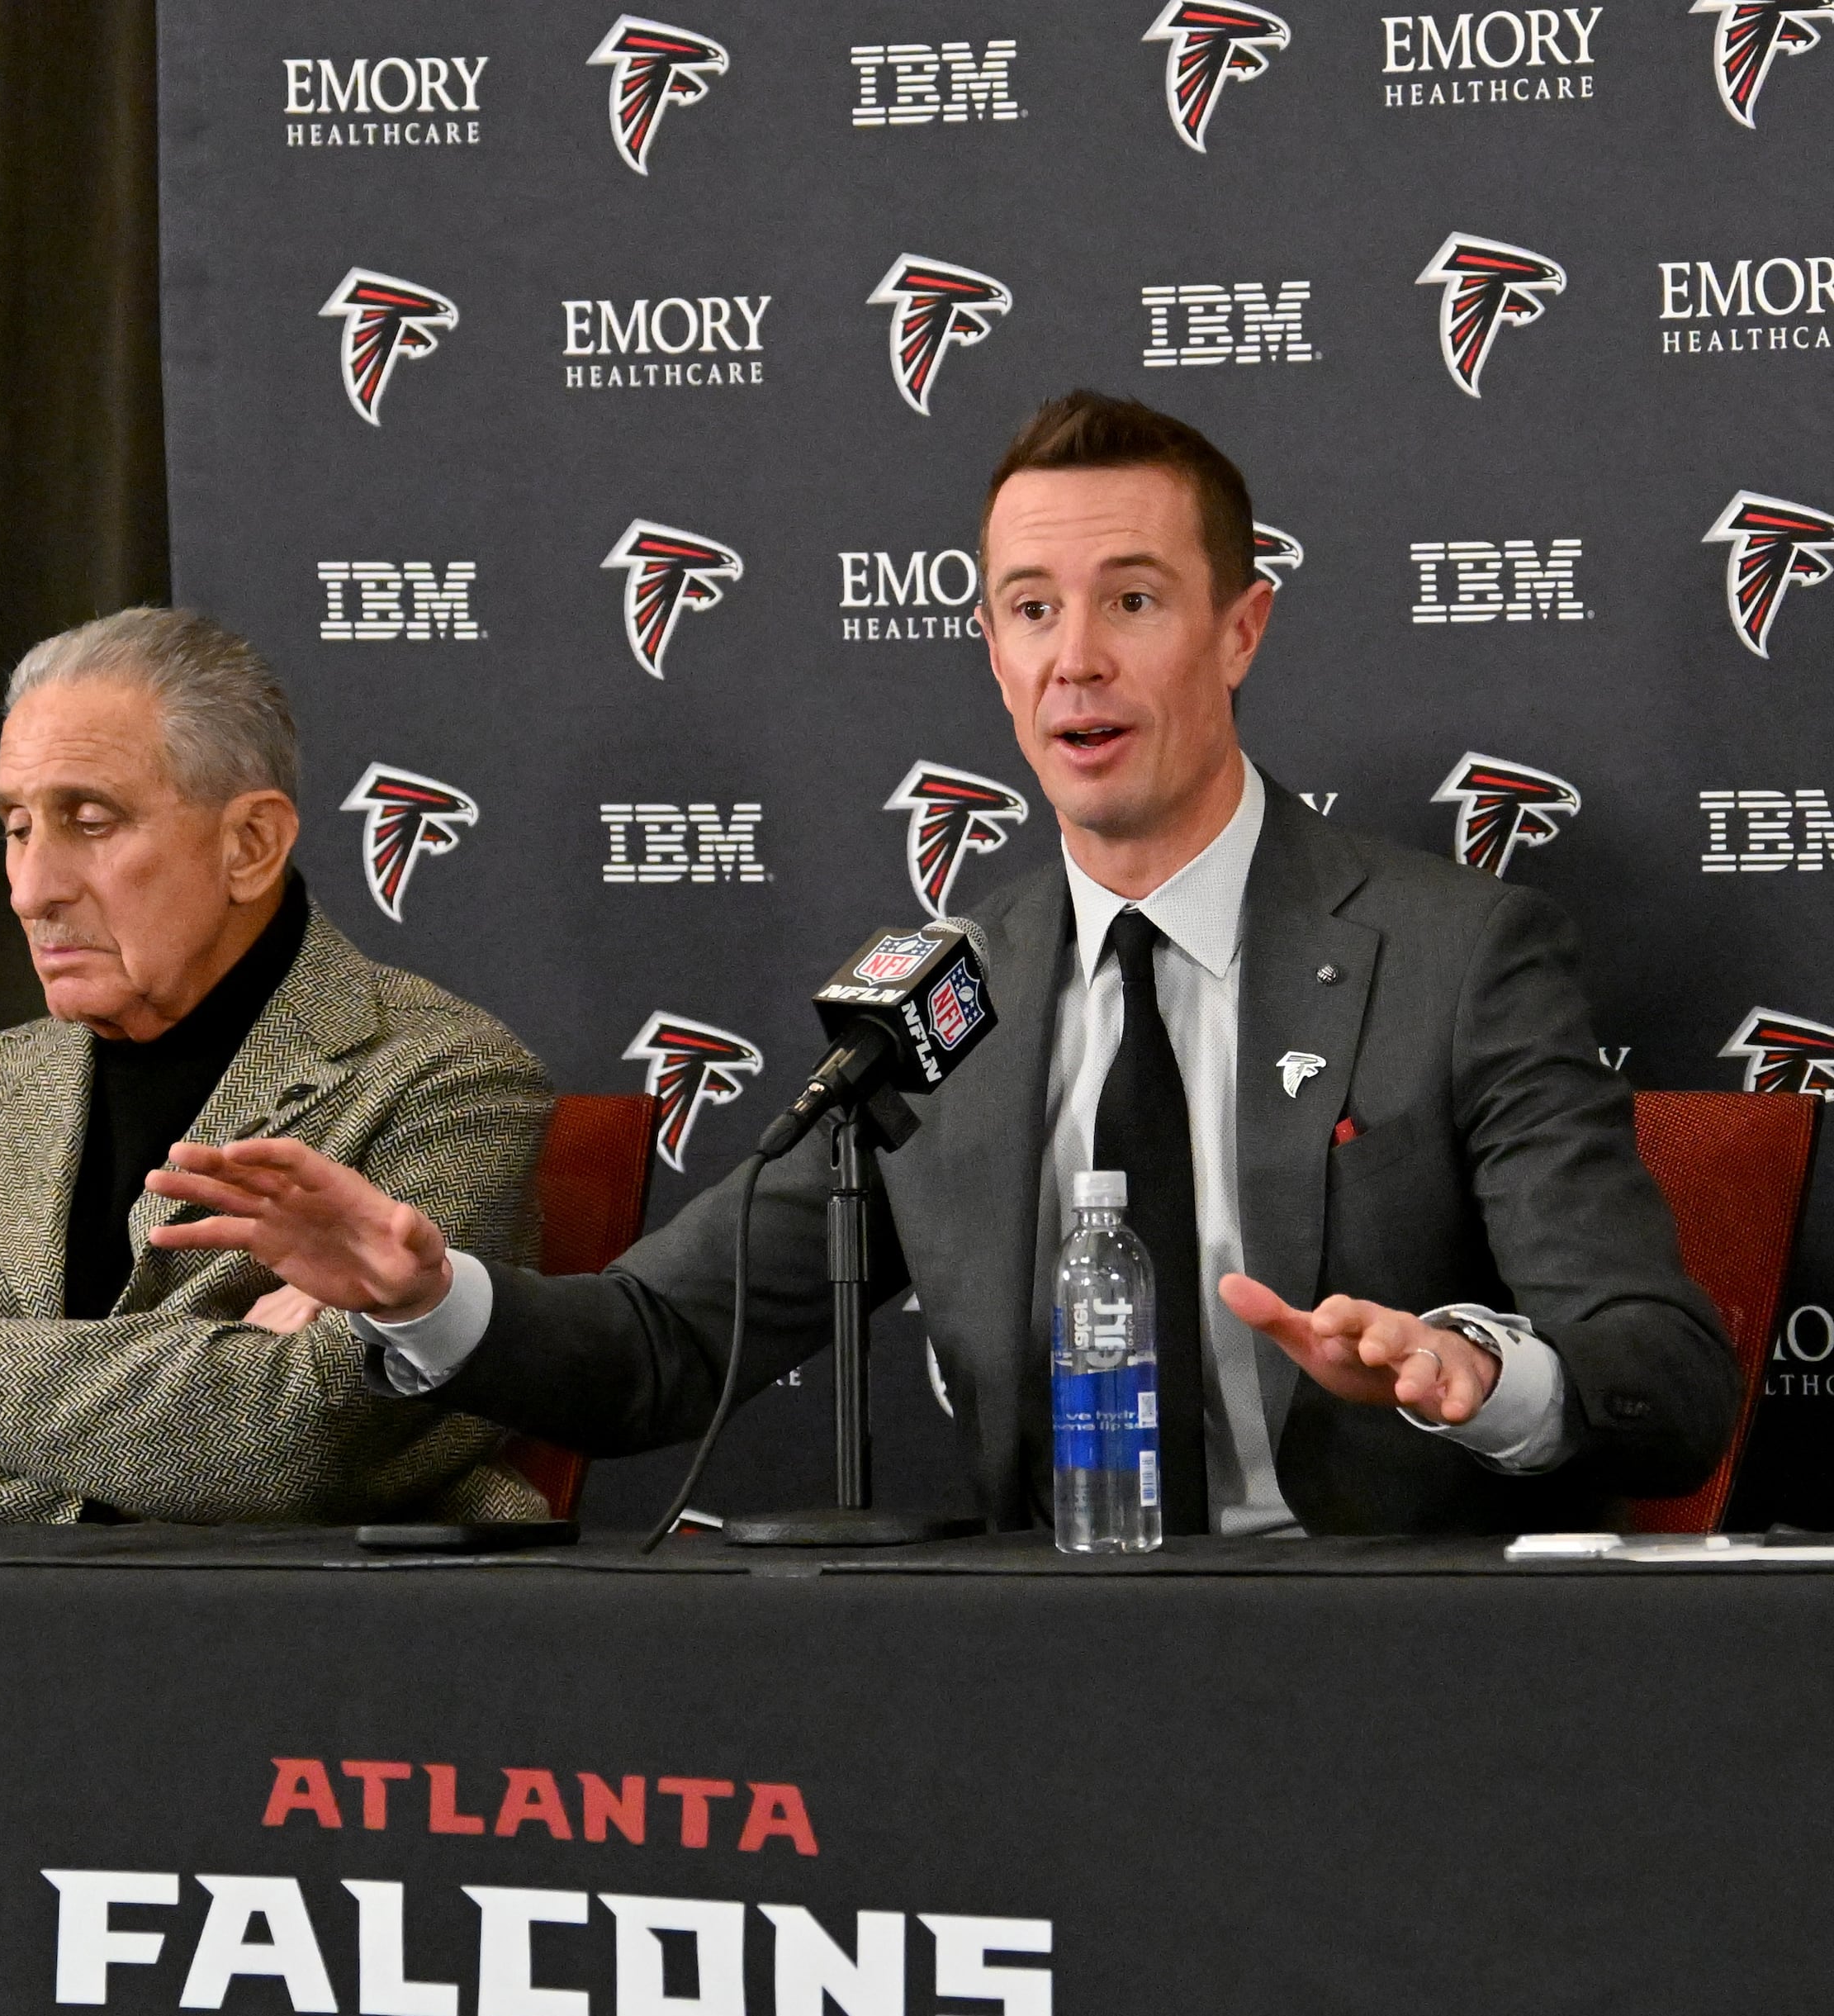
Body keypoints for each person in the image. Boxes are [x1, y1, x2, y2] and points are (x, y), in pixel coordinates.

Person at [149, 393, 1733, 1535]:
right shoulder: (947, 996)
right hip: (1034, 1674)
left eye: (1133, 601)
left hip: (1385, 1666)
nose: (1076, 661)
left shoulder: (1457, 957)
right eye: (1030, 610)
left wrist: (1480, 1369)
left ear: (1241, 629)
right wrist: (433, 1298)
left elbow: (1665, 1379)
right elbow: (658, 1351)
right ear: (988, 649)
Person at [0, 608, 555, 1524]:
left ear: (250, 845)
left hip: (303, 1652)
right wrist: (186, 1413)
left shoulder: (445, 1079)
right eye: (18, 828)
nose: (34, 890)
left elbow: (305, 1443)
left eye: (90, 821)